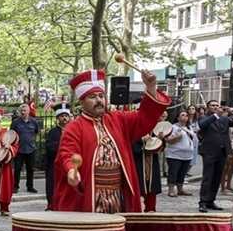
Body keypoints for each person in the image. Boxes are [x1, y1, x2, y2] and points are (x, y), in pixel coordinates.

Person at [55, 69, 170, 213]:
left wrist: (151, 87)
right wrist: (71, 170)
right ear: (82, 102)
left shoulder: (118, 119)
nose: (99, 100)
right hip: (92, 194)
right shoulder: (75, 127)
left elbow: (144, 118)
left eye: (101, 96)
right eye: (93, 97)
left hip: (119, 194)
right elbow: (67, 153)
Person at [197, 100, 233, 212]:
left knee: (217, 177)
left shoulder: (224, 118)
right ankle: (203, 201)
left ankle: (211, 200)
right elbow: (202, 125)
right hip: (209, 151)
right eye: (213, 106)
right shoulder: (204, 118)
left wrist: (232, 113)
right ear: (207, 107)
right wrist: (216, 114)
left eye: (217, 105)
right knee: (208, 177)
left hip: (222, 151)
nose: (216, 107)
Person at [132, 119, 166, 213]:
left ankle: (151, 212)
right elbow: (128, 142)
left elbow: (161, 147)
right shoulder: (133, 127)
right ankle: (135, 214)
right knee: (137, 188)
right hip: (138, 162)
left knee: (151, 190)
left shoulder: (155, 128)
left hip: (152, 163)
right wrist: (142, 140)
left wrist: (161, 139)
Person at [44, 105, 72, 210]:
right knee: (53, 184)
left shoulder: (73, 130)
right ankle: (52, 204)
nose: (64, 118)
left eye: (66, 116)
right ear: (57, 118)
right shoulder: (53, 132)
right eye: (62, 116)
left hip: (69, 163)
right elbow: (49, 147)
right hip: (55, 163)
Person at [165, 110, 196, 197]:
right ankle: (171, 189)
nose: (185, 116)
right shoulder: (173, 127)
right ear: (178, 118)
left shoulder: (189, 127)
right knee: (173, 172)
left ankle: (180, 189)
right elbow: (167, 140)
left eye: (186, 115)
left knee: (182, 173)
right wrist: (176, 137)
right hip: (175, 154)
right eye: (183, 115)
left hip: (187, 155)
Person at [10, 104, 40, 194]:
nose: (23, 112)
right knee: (17, 168)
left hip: (31, 148)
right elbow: (11, 133)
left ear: (28, 111)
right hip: (19, 149)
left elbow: (36, 132)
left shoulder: (34, 122)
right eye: (21, 111)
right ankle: (15, 186)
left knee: (30, 169)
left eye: (24, 110)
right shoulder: (16, 122)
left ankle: (30, 186)